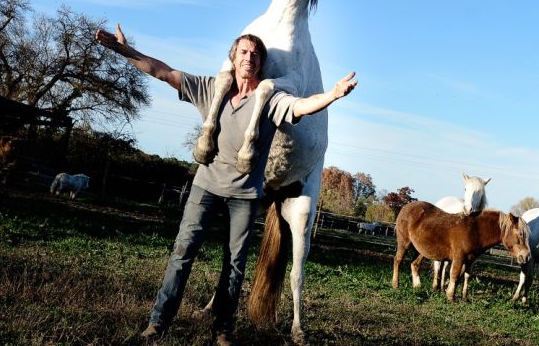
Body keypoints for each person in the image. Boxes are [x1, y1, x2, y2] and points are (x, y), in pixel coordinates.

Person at [95, 24, 357, 345]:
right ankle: (157, 324)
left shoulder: (271, 100)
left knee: (234, 266)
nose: (250, 58)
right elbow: (163, 72)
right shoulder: (210, 89)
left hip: (245, 197)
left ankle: (223, 330)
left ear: (261, 64)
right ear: (233, 58)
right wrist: (125, 51)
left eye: (256, 54)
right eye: (244, 52)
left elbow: (300, 106)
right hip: (205, 188)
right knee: (182, 254)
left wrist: (332, 94)